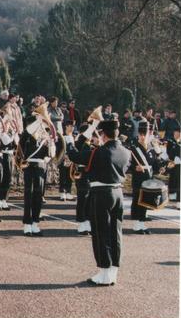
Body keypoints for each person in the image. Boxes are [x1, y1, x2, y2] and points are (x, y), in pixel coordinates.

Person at [66, 115, 132, 286]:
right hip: (118, 192)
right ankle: (113, 272)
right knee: (115, 232)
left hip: (101, 193)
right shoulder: (126, 152)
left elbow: (75, 156)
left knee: (100, 232)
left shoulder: (99, 151)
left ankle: (103, 272)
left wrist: (68, 139)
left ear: (103, 135)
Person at [125, 124, 164, 235]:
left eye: (144, 134)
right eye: (141, 134)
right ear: (138, 135)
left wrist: (160, 168)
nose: (142, 137)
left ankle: (142, 223)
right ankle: (137, 224)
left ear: (148, 135)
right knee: (138, 201)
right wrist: (134, 168)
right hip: (138, 178)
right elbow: (128, 164)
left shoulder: (151, 149)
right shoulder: (133, 148)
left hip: (148, 178)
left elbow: (155, 164)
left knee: (146, 201)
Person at [18, 113, 52, 235]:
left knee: (38, 197)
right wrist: (38, 121)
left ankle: (35, 223)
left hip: (41, 168)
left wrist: (50, 144)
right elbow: (24, 138)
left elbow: (48, 154)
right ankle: (27, 224)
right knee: (29, 196)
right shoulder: (26, 137)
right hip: (30, 167)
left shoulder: (42, 138)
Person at [166, 128, 181, 201]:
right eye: (176, 132)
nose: (177, 134)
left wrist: (177, 161)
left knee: (178, 183)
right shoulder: (171, 141)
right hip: (172, 164)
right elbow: (168, 152)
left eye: (178, 133)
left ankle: (178, 200)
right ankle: (172, 198)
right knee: (172, 181)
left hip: (179, 166)